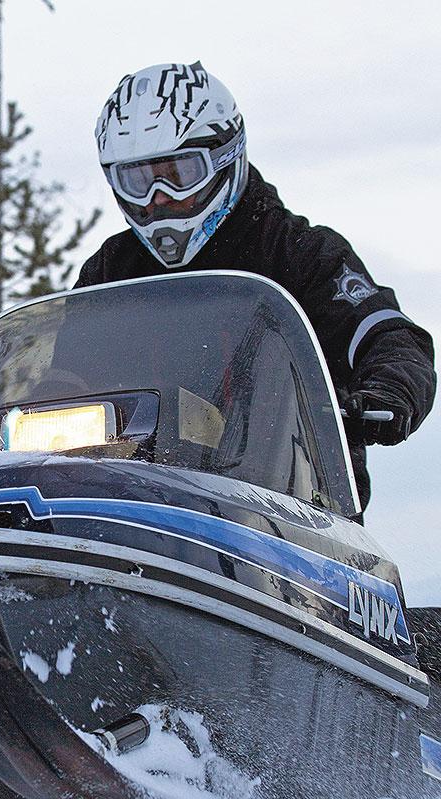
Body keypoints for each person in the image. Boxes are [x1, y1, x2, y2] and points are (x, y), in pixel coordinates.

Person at [76, 61, 436, 512]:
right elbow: (68, 374)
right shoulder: (112, 271)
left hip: (295, 509)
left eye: (178, 173)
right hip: (138, 504)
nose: (158, 197)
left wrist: (387, 390)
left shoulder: (301, 252)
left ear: (225, 157)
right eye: (138, 180)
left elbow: (389, 337)